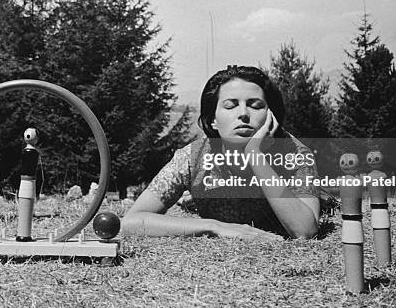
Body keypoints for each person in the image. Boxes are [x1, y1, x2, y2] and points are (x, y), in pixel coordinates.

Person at [123, 65, 320, 240]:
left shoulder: (294, 152)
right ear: (212, 121)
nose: (243, 113)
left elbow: (305, 231)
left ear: (271, 116)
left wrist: (255, 155)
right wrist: (213, 226)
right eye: (230, 105)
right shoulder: (193, 157)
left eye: (256, 105)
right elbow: (131, 222)